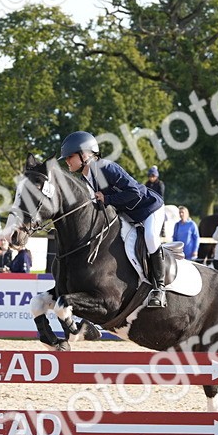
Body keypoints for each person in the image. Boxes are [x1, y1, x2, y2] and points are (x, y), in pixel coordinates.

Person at [61, 131, 169, 308]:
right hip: (127, 214)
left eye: (70, 156)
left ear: (85, 154)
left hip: (149, 209)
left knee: (150, 237)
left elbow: (135, 192)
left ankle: (160, 288)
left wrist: (108, 199)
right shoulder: (85, 178)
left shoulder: (107, 168)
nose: (67, 161)